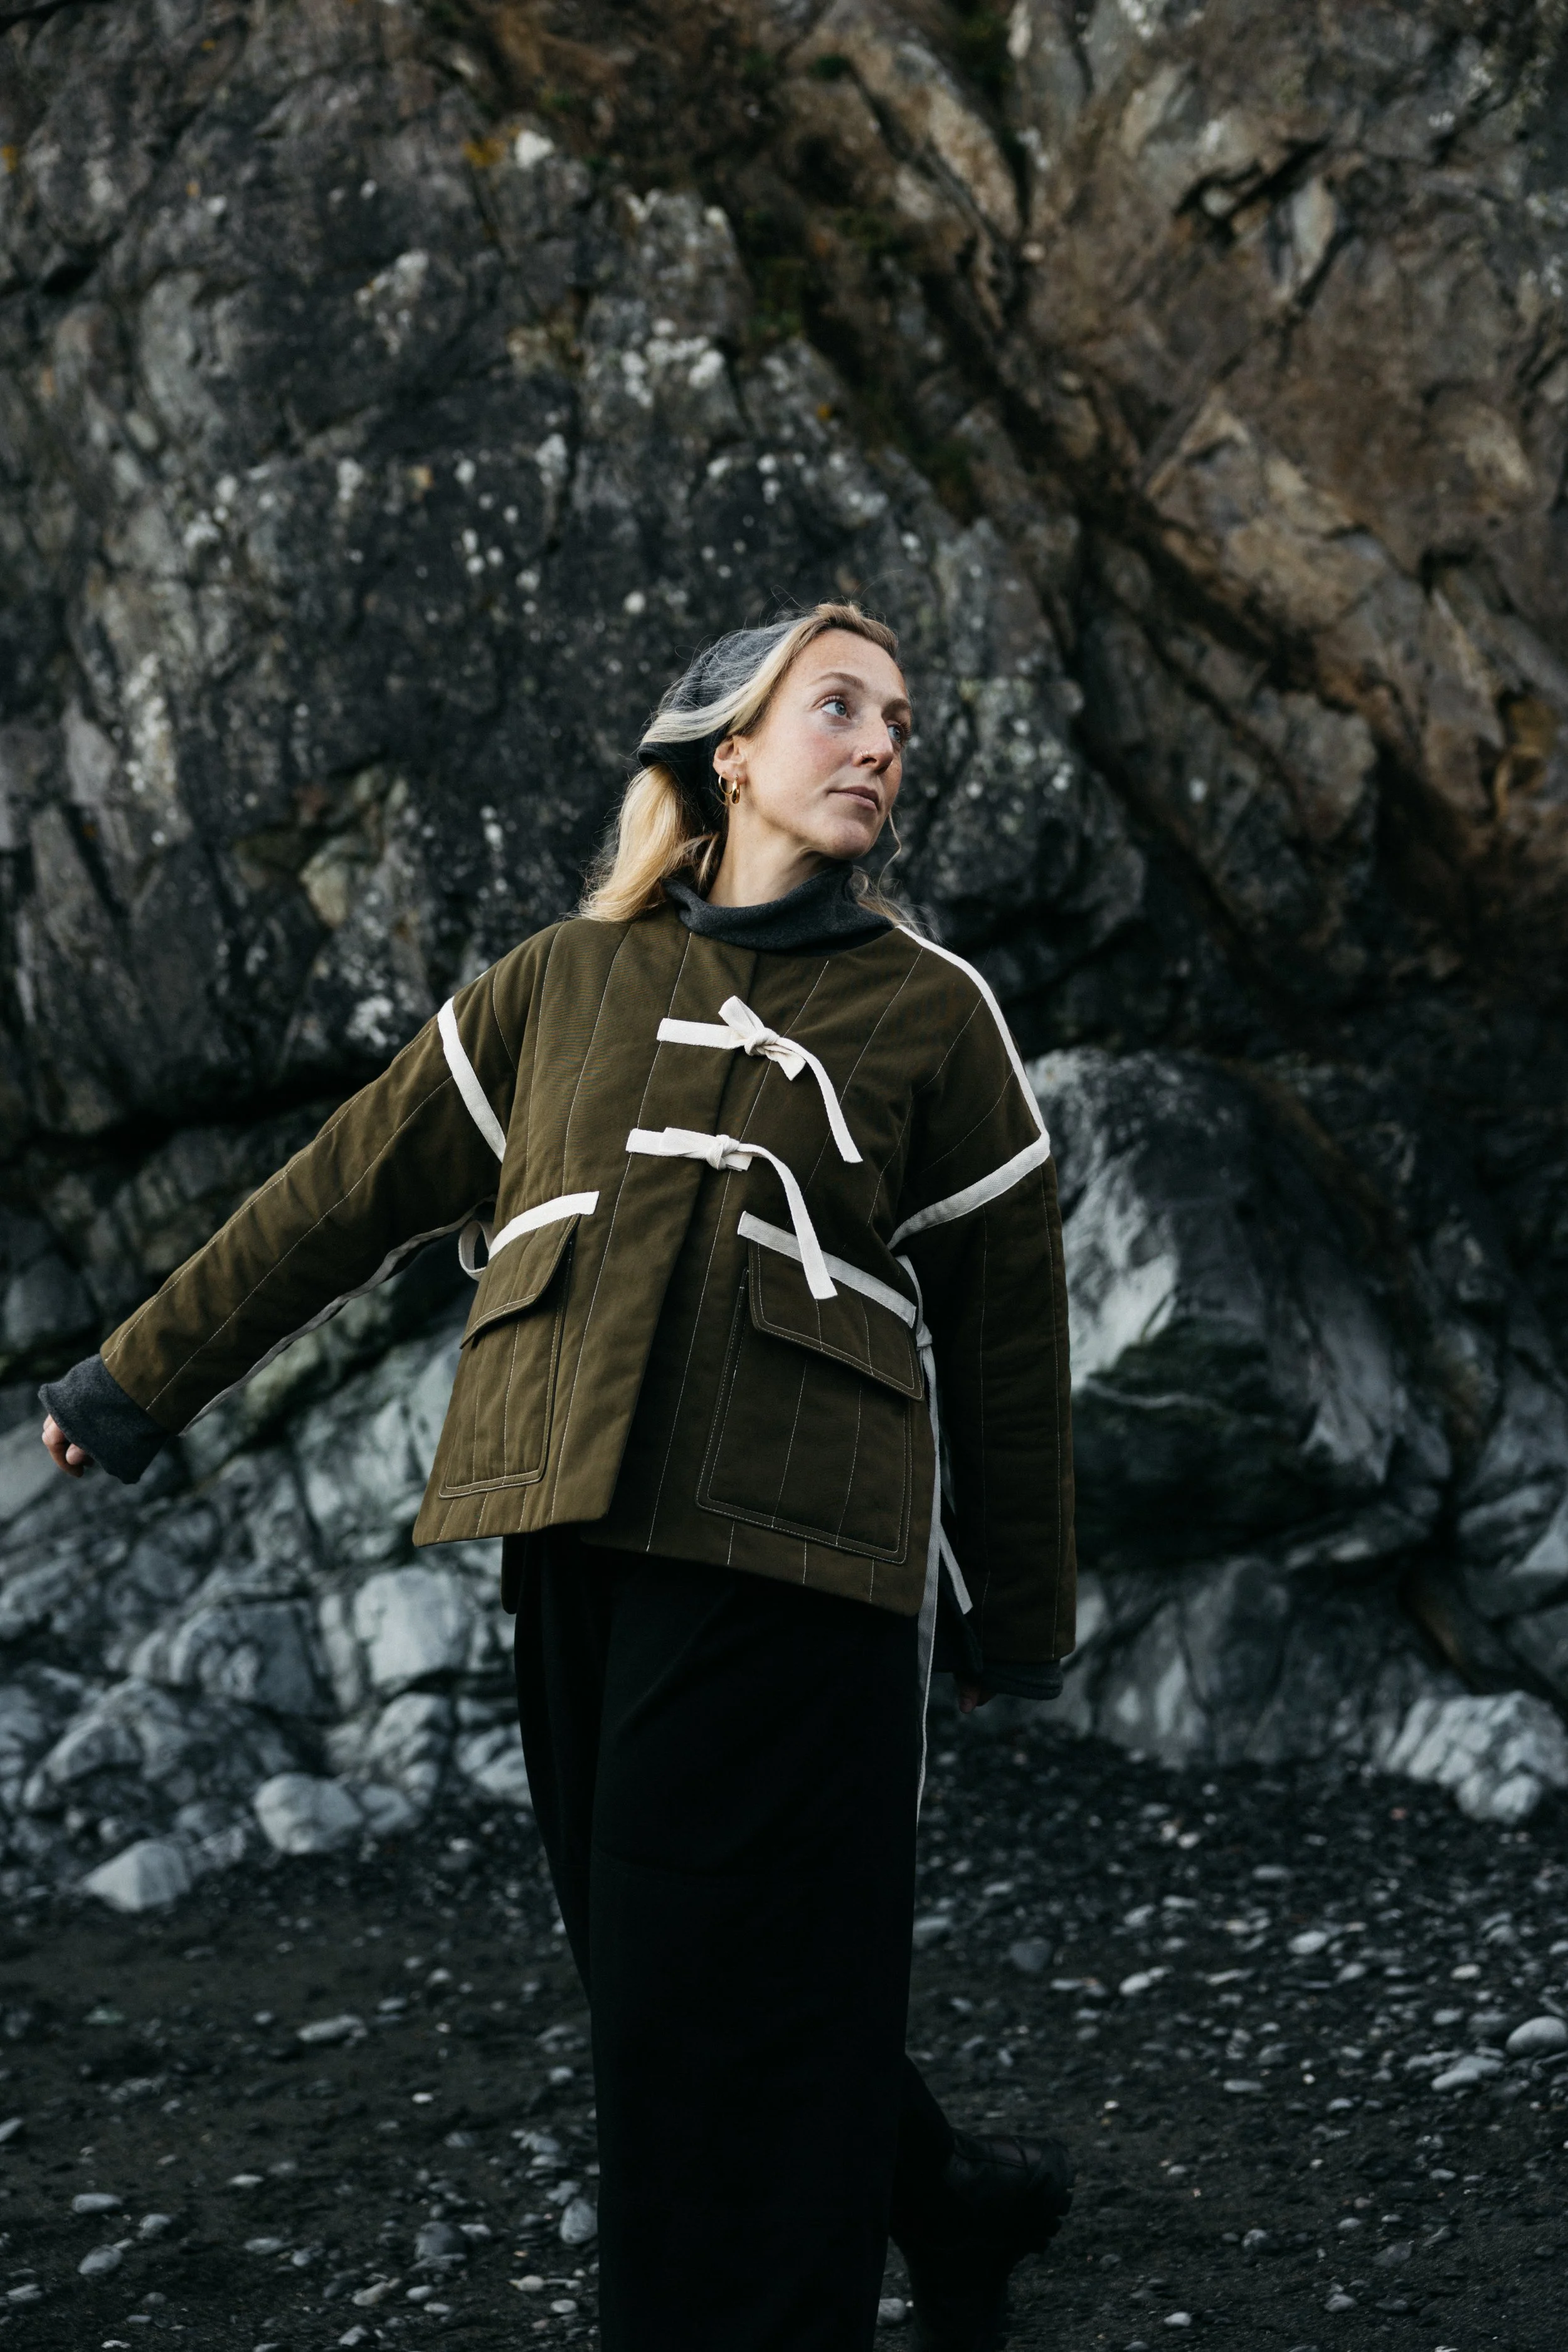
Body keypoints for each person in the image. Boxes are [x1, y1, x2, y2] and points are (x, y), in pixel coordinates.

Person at [41, 600, 1078, 2352]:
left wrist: (1013, 1618)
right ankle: (945, 2193)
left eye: (900, 717)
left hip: (804, 1555)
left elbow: (1006, 1338)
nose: (883, 742)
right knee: (677, 1975)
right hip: (569, 1539)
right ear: (729, 752)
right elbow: (346, 1187)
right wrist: (139, 1374)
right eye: (838, 706)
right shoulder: (560, 982)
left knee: (687, 2018)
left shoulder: (933, 1012)